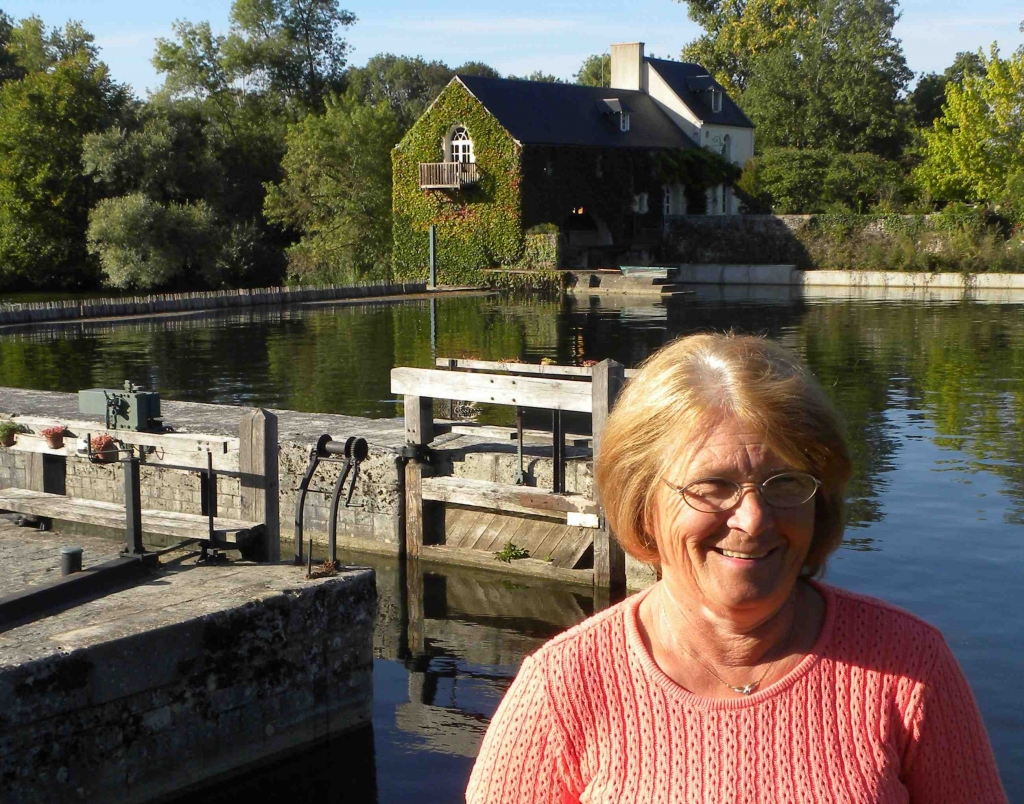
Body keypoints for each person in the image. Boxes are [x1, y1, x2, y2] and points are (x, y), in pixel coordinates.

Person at [466, 333, 1007, 803]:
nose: (752, 518)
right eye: (713, 486)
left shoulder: (910, 668)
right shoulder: (566, 687)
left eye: (786, 483)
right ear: (643, 504)